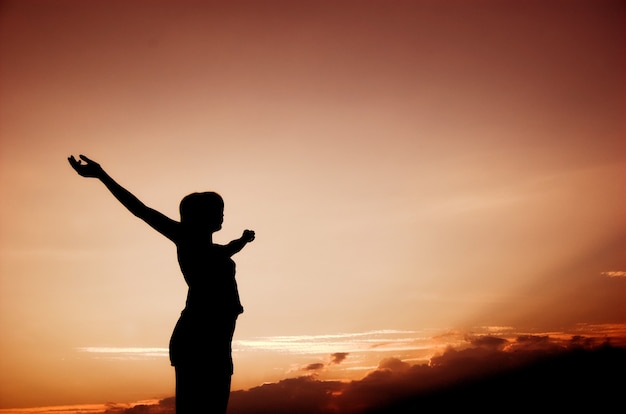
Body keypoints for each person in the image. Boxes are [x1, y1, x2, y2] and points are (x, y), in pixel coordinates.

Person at [68, 154, 255, 414]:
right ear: (200, 215)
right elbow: (141, 210)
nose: (222, 216)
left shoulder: (213, 250)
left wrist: (243, 241)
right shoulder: (184, 237)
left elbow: (228, 250)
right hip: (198, 338)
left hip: (218, 341)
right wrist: (102, 176)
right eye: (217, 211)